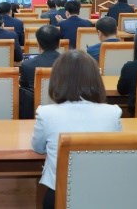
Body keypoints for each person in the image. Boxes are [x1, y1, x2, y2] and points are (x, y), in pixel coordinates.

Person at [32, 50, 122, 209]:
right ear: (96, 80)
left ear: (57, 81)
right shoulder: (113, 113)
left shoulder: (46, 113)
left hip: (60, 195)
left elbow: (38, 148)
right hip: (102, 195)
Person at [19, 25, 61, 119]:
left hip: (35, 112)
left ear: (38, 44)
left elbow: (23, 88)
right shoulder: (72, 63)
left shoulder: (27, 65)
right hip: (64, 110)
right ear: (59, 43)